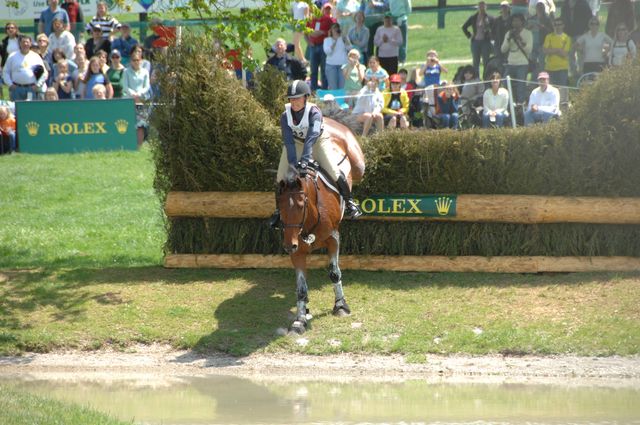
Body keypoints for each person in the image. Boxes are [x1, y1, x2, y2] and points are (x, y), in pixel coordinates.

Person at [270, 80, 363, 228]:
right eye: (292, 99)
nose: (294, 102)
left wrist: (305, 162)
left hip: (318, 141)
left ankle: (350, 202)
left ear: (305, 98)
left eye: (298, 98)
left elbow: (311, 138)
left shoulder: (314, 112)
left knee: (333, 171)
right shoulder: (285, 116)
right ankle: (278, 211)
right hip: (296, 143)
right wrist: (294, 164)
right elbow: (288, 142)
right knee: (281, 176)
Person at [4, 36, 49, 101]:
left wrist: (38, 85)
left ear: (30, 43)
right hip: (16, 89)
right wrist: (10, 84)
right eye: (23, 42)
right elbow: (5, 72)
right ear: (19, 43)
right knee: (16, 109)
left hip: (31, 88)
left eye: (27, 42)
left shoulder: (35, 56)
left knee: (31, 109)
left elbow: (44, 73)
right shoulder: (12, 56)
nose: (25, 44)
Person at [501, 13, 532, 104]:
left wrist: (520, 40)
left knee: (520, 86)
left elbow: (529, 50)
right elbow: (503, 49)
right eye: (514, 21)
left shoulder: (527, 33)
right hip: (510, 63)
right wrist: (508, 39)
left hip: (522, 63)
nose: (515, 23)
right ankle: (508, 104)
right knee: (506, 84)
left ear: (522, 22)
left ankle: (520, 105)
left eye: (518, 20)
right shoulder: (508, 33)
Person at [123, 54, 152, 147]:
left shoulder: (145, 72)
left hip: (142, 100)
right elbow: (125, 86)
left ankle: (139, 144)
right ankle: (128, 143)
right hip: (129, 100)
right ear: (131, 61)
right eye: (134, 60)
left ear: (141, 61)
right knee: (129, 122)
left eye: (138, 60)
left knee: (141, 123)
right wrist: (133, 94)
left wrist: (139, 93)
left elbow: (147, 86)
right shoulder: (126, 71)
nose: (136, 62)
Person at [306, 3, 336, 90]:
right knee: (313, 69)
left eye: (318, 9)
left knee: (324, 69)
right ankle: (313, 89)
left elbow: (334, 31)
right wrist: (308, 41)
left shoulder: (328, 19)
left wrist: (323, 32)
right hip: (313, 46)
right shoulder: (310, 19)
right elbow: (305, 32)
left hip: (323, 46)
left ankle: (324, 89)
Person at [462, 1, 495, 78]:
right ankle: (476, 78)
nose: (481, 8)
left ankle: (486, 77)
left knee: (486, 61)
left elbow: (494, 28)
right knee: (476, 62)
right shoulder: (473, 17)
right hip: (475, 42)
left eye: (483, 6)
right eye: (480, 6)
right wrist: (469, 35)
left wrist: (490, 34)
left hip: (485, 42)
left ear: (486, 7)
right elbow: (464, 27)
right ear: (478, 7)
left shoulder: (490, 18)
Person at [560, 0, 592, 77]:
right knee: (570, 54)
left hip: (580, 33)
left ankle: (582, 73)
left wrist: (586, 30)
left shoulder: (583, 3)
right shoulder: (565, 4)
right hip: (568, 34)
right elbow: (562, 17)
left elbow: (589, 17)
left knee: (581, 54)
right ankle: (573, 73)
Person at [543, 17, 571, 87]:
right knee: (550, 89)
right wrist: (558, 50)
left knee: (562, 90)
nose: (557, 26)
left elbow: (564, 54)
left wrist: (552, 50)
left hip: (562, 68)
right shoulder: (548, 36)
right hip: (549, 67)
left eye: (559, 24)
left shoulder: (567, 38)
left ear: (563, 25)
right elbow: (545, 51)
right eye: (555, 25)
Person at [527, 1, 553, 77]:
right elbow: (525, 29)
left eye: (541, 7)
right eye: (538, 7)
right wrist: (529, 27)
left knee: (542, 63)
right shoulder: (532, 18)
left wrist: (543, 27)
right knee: (533, 63)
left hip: (542, 43)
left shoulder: (547, 19)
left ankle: (543, 78)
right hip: (533, 43)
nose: (540, 8)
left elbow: (551, 31)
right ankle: (534, 80)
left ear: (544, 8)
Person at [323, 23, 351, 89]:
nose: (336, 30)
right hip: (331, 66)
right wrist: (335, 41)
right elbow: (328, 52)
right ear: (331, 30)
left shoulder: (344, 38)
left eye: (337, 28)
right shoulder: (327, 40)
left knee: (342, 87)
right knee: (333, 87)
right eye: (334, 28)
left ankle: (341, 99)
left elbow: (350, 48)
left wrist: (345, 39)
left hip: (343, 65)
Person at [492, 1, 512, 67]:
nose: (504, 9)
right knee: (499, 62)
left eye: (505, 7)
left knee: (508, 62)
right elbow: (493, 32)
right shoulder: (497, 20)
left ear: (509, 8)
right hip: (498, 45)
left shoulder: (512, 19)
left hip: (509, 44)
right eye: (502, 7)